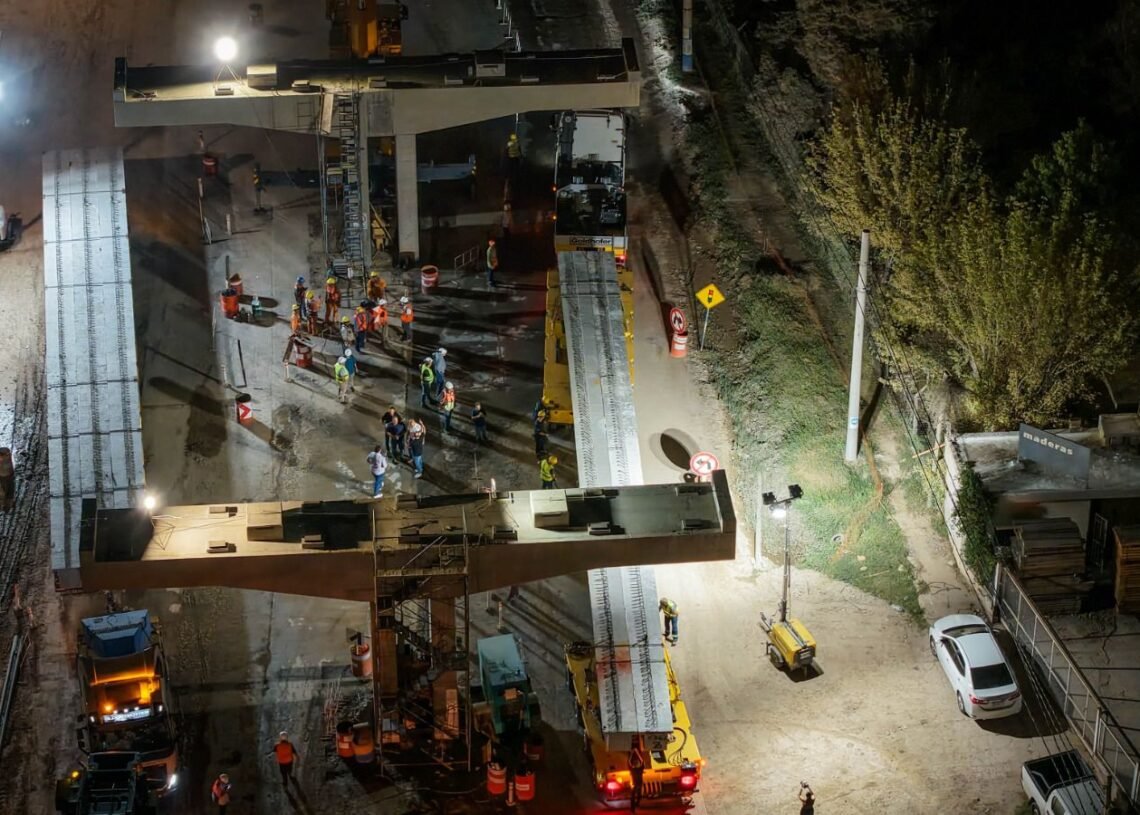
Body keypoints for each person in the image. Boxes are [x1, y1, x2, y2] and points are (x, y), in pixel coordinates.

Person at [628, 746, 645, 812]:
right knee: (635, 796)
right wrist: (635, 752)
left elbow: (630, 761)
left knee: (637, 796)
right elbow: (641, 760)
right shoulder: (636, 769)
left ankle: (635, 806)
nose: (637, 763)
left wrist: (634, 752)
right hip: (636, 785)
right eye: (636, 763)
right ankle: (633, 808)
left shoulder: (635, 769)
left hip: (637, 785)